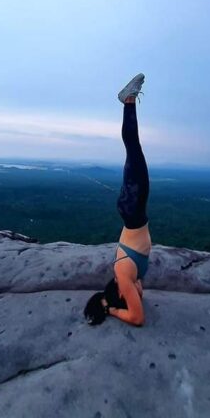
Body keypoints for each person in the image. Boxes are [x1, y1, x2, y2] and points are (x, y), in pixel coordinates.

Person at [84, 73, 150, 327]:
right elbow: (137, 304)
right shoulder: (128, 280)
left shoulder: (123, 276)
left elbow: (136, 317)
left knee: (133, 148)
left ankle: (128, 100)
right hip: (132, 212)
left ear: (119, 294)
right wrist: (112, 304)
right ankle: (128, 100)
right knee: (134, 151)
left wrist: (110, 310)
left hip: (133, 212)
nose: (135, 296)